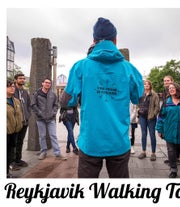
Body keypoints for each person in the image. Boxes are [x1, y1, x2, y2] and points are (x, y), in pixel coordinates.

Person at [61, 17, 144, 178]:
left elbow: (65, 101)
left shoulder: (80, 67)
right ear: (115, 39)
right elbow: (138, 99)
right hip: (118, 141)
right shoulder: (129, 69)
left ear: (93, 40)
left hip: (91, 140)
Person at [156, 82, 180, 178]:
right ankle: (173, 170)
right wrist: (159, 130)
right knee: (171, 153)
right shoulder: (166, 102)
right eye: (169, 88)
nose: (171, 89)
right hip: (169, 131)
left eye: (173, 88)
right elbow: (161, 117)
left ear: (177, 89)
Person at [31, 78, 67, 160]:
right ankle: (43, 152)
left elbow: (56, 105)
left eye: (49, 83)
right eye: (46, 82)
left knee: (53, 135)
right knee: (42, 136)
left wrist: (53, 113)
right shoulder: (37, 93)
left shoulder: (53, 94)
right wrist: (39, 113)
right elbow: (33, 104)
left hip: (51, 119)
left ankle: (57, 153)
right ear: (42, 83)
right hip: (40, 119)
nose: (48, 84)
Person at [10, 73, 31, 170]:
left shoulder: (25, 92)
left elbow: (28, 105)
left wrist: (28, 115)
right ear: (15, 80)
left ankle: (18, 159)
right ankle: (11, 162)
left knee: (20, 141)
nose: (22, 80)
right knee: (13, 142)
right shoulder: (12, 91)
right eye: (20, 78)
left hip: (24, 121)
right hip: (15, 122)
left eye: (23, 78)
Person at [137, 80, 160, 161]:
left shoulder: (154, 95)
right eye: (144, 84)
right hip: (142, 117)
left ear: (150, 85)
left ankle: (153, 153)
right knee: (143, 134)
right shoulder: (141, 94)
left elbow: (157, 107)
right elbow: (137, 104)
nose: (146, 85)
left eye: (148, 84)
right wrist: (138, 112)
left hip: (151, 118)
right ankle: (143, 152)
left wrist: (153, 115)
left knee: (152, 135)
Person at [162, 75, 180, 165]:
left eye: (168, 80)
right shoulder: (165, 91)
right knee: (171, 141)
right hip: (168, 117)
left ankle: (176, 158)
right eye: (165, 81)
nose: (166, 82)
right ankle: (172, 158)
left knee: (176, 140)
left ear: (172, 81)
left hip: (175, 118)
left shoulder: (174, 90)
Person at [7, 80, 23, 178]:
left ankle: (7, 173)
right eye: (9, 86)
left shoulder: (16, 100)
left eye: (13, 86)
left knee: (9, 153)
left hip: (14, 131)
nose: (12, 88)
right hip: (6, 132)